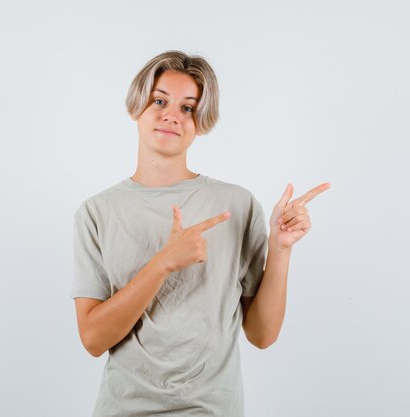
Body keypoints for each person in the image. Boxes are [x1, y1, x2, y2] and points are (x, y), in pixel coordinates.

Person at [71, 50, 330, 417]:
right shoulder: (96, 212)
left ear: (201, 121)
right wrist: (163, 263)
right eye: (159, 100)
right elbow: (93, 339)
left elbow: (262, 335)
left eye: (188, 107)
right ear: (137, 108)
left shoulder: (236, 204)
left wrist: (281, 247)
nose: (171, 115)